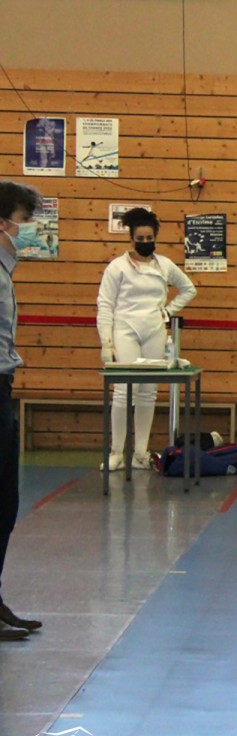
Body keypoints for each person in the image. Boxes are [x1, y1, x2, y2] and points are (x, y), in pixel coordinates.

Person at [97, 207, 197, 470]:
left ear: (155, 238)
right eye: (140, 239)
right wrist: (106, 342)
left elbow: (189, 289)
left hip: (154, 330)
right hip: (125, 330)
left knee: (148, 393)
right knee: (124, 392)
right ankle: (116, 452)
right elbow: (105, 305)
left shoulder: (164, 265)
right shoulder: (117, 267)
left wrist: (168, 311)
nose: (144, 242)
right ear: (131, 238)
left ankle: (141, 453)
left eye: (149, 238)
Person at [0, 181, 45, 641]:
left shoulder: (4, 269)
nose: (28, 229)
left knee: (5, 501)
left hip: (3, 386)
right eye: (24, 220)